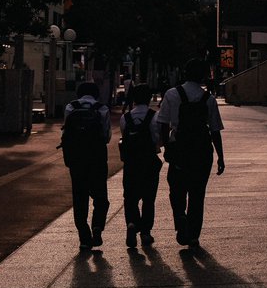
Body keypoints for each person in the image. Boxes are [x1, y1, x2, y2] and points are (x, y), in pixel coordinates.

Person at [157, 58, 225, 251]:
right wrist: (221, 156)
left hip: (179, 150)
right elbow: (215, 130)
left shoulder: (172, 94)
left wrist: (167, 147)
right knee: (197, 194)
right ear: (203, 75)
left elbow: (163, 122)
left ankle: (180, 218)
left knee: (177, 189)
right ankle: (194, 235)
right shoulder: (208, 99)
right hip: (202, 152)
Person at [60, 80, 111, 250]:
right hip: (96, 157)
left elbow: (66, 133)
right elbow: (106, 136)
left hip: (76, 159)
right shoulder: (102, 109)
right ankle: (97, 227)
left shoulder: (70, 108)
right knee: (100, 197)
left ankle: (83, 236)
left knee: (79, 197)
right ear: (96, 93)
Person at [119, 83, 161, 248]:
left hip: (131, 163)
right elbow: (158, 140)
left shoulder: (125, 118)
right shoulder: (154, 117)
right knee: (148, 199)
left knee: (130, 197)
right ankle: (145, 232)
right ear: (149, 98)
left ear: (134, 99)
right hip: (149, 162)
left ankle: (131, 223)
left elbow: (124, 138)